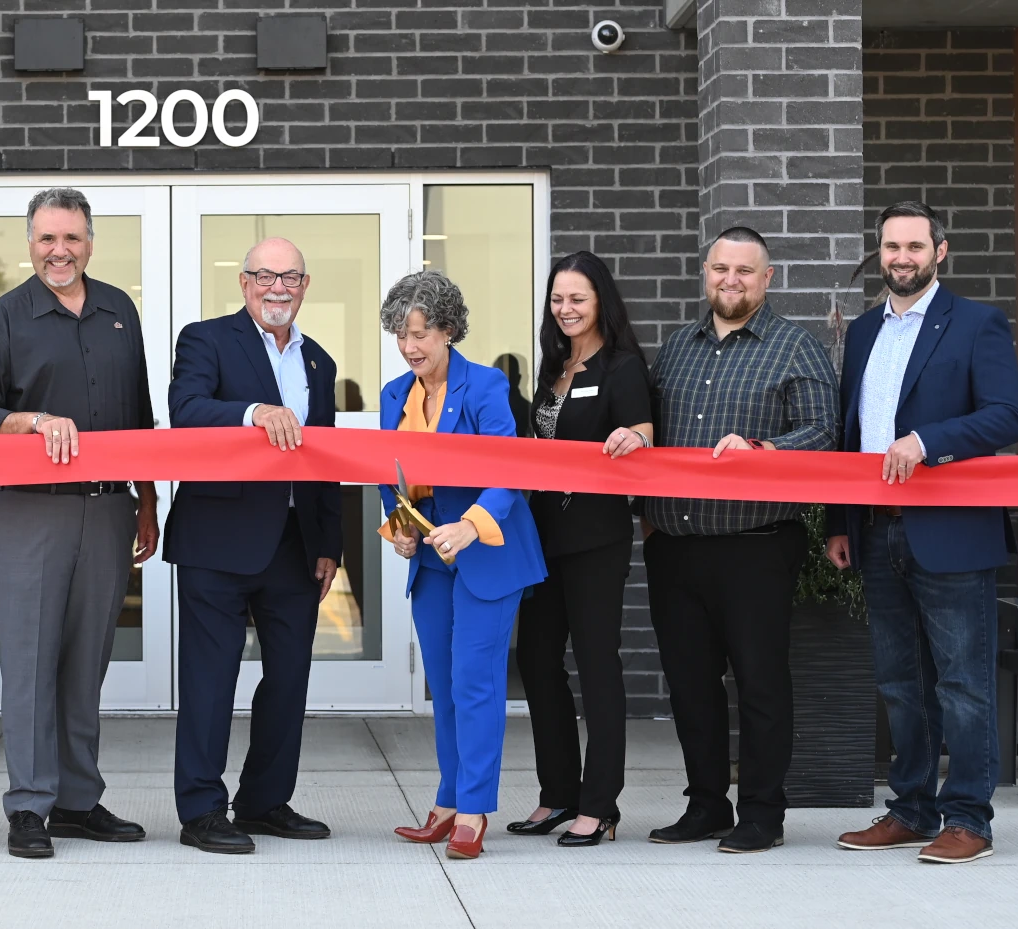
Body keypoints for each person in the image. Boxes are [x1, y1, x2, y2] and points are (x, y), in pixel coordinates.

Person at [0, 187, 161, 859]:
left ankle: (77, 799)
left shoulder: (119, 312)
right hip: (27, 509)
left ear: (90, 242)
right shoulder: (7, 318)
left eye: (70, 237)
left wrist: (149, 499)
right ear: (31, 244)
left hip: (107, 510)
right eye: (46, 238)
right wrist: (30, 421)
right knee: (31, 661)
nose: (59, 250)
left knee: (85, 661)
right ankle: (29, 806)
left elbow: (141, 418)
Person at [826, 202, 1018, 865]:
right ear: (879, 253)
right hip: (878, 532)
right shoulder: (861, 333)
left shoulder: (976, 324)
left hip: (953, 532)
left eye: (915, 244)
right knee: (898, 682)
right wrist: (838, 522)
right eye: (891, 246)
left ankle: (968, 817)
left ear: (940, 250)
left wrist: (927, 440)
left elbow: (1007, 416)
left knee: (963, 684)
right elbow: (849, 436)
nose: (902, 256)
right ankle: (911, 808)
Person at [641, 227, 838, 854]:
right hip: (675, 546)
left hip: (755, 545)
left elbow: (824, 435)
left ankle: (760, 813)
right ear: (706, 272)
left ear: (767, 278)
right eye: (721, 268)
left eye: (745, 271)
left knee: (759, 685)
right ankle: (705, 805)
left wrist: (767, 450)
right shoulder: (676, 349)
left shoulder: (795, 349)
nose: (732, 279)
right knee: (690, 686)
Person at [165, 237, 342, 854]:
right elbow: (185, 409)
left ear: (305, 285)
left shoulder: (319, 361)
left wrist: (329, 543)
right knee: (211, 681)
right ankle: (203, 811)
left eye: (290, 277)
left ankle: (265, 801)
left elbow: (326, 460)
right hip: (217, 539)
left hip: (295, 547)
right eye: (265, 276)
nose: (277, 288)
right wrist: (253, 412)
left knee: (289, 679)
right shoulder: (206, 339)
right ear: (244, 283)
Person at [377, 270, 548, 861]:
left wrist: (470, 525)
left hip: (485, 554)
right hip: (429, 561)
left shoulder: (486, 386)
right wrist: (399, 530)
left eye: (420, 334)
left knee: (475, 686)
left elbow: (509, 469)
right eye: (401, 335)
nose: (410, 346)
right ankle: (448, 800)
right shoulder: (394, 394)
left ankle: (474, 809)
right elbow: (388, 475)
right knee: (444, 689)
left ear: (449, 330)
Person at [508, 251, 653, 847]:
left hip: (596, 539)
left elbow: (645, 431)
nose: (565, 309)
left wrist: (635, 436)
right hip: (541, 539)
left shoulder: (622, 367)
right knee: (538, 666)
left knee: (596, 666)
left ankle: (600, 805)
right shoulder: (552, 367)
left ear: (601, 304)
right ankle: (557, 795)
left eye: (578, 299)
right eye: (557, 298)